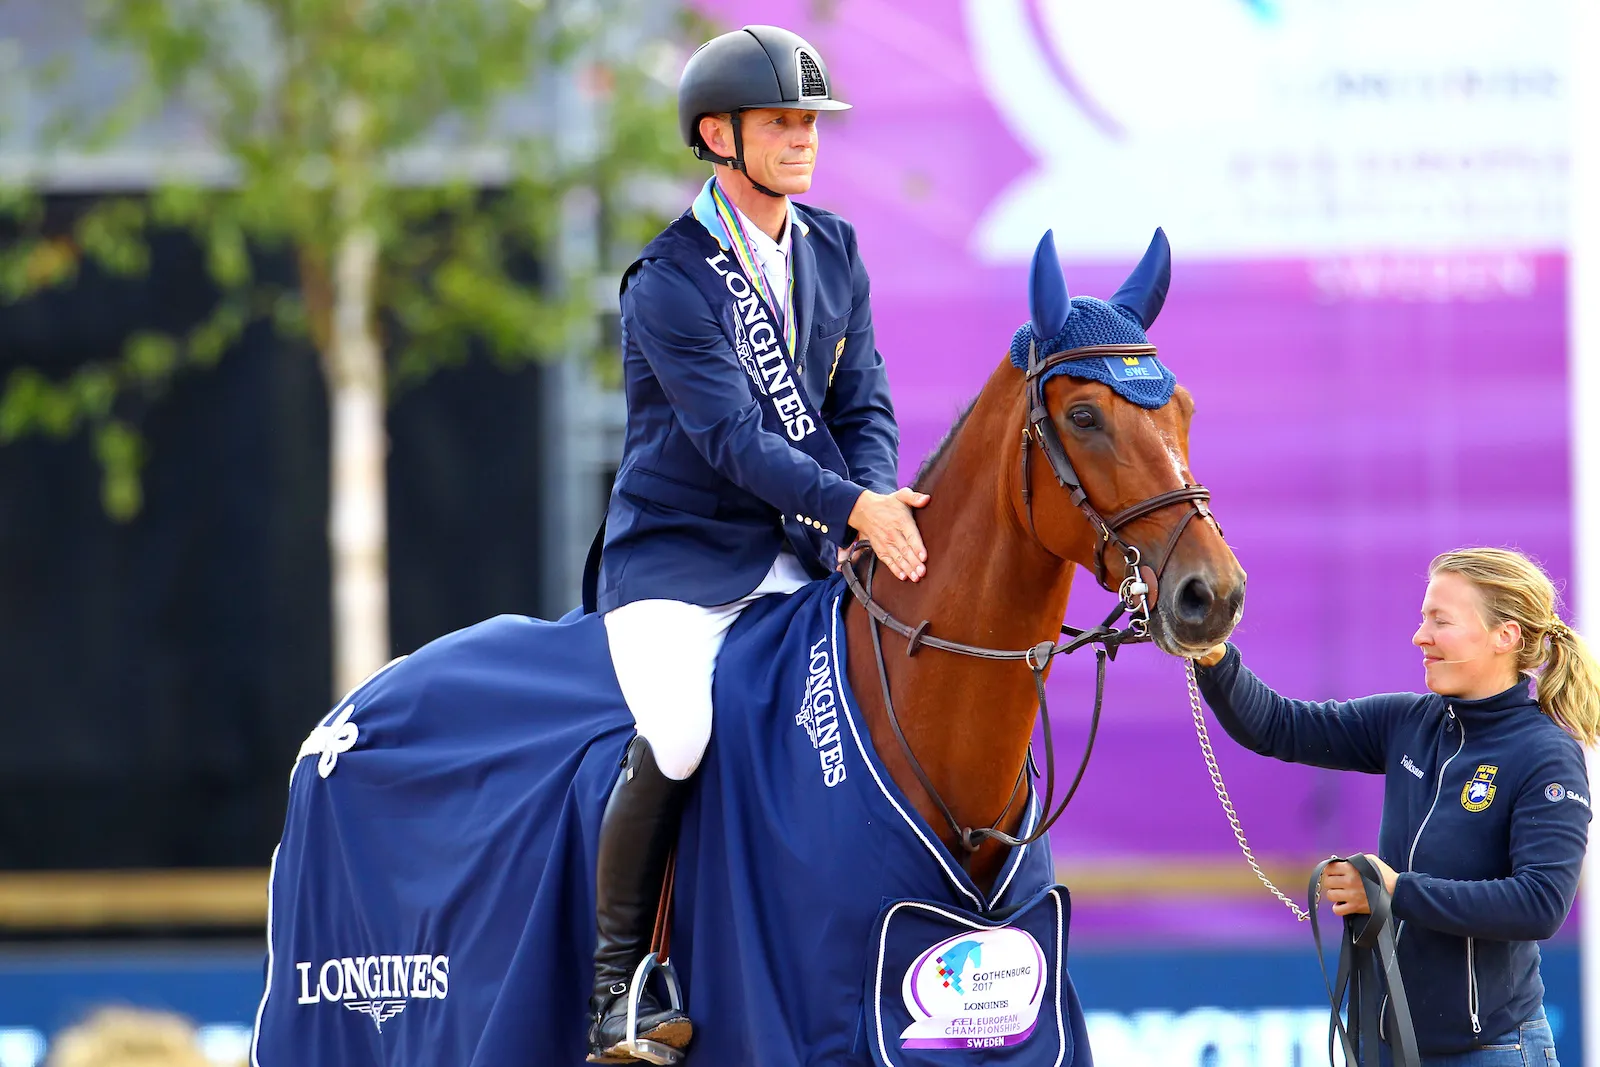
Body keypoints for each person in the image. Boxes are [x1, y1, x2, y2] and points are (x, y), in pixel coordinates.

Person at [583, 24, 929, 1063]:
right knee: (683, 731)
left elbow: (862, 398)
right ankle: (618, 985)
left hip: (800, 548)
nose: (804, 138)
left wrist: (868, 493)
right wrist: (851, 508)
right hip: (678, 562)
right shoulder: (670, 279)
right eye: (783, 122)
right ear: (717, 134)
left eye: (810, 122)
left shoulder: (834, 248)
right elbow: (730, 438)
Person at [1192, 547, 1600, 1065]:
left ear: (1506, 635)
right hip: (1386, 1044)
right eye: (1422, 617)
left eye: (1440, 620)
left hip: (1490, 1049)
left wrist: (1393, 890)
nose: (1420, 636)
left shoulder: (1546, 753)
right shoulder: (1408, 721)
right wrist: (1210, 651)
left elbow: (1540, 904)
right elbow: (1277, 725)